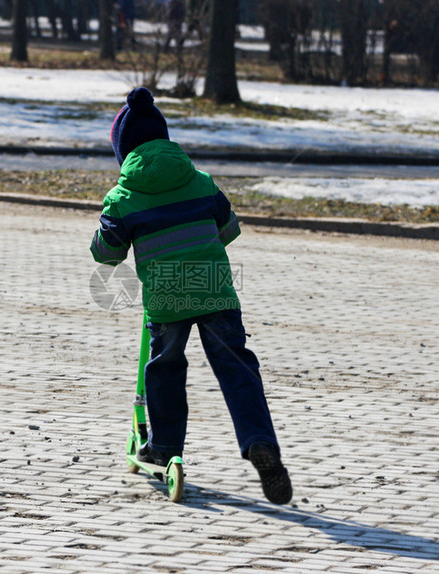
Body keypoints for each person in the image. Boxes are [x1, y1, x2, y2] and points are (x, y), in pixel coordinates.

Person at [89, 87, 292, 505]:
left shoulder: (123, 197)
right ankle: (259, 443)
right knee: (237, 368)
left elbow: (106, 254)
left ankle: (163, 447)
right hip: (214, 287)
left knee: (165, 369)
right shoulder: (200, 181)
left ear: (122, 150)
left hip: (166, 295)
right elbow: (229, 227)